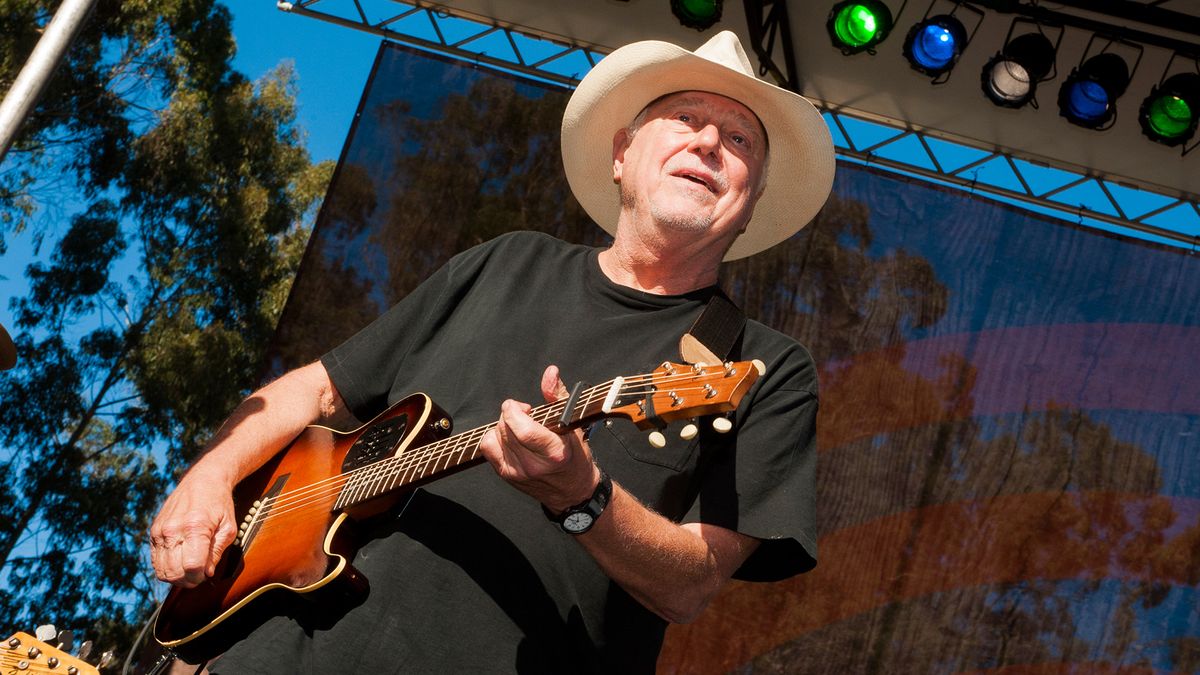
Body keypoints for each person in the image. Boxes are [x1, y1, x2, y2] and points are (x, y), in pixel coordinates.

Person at [150, 30, 834, 673]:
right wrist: (208, 475)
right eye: (685, 118)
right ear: (623, 155)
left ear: (750, 204)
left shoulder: (758, 366)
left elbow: (692, 585)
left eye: (739, 137)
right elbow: (318, 389)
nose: (710, 141)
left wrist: (583, 498)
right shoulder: (508, 260)